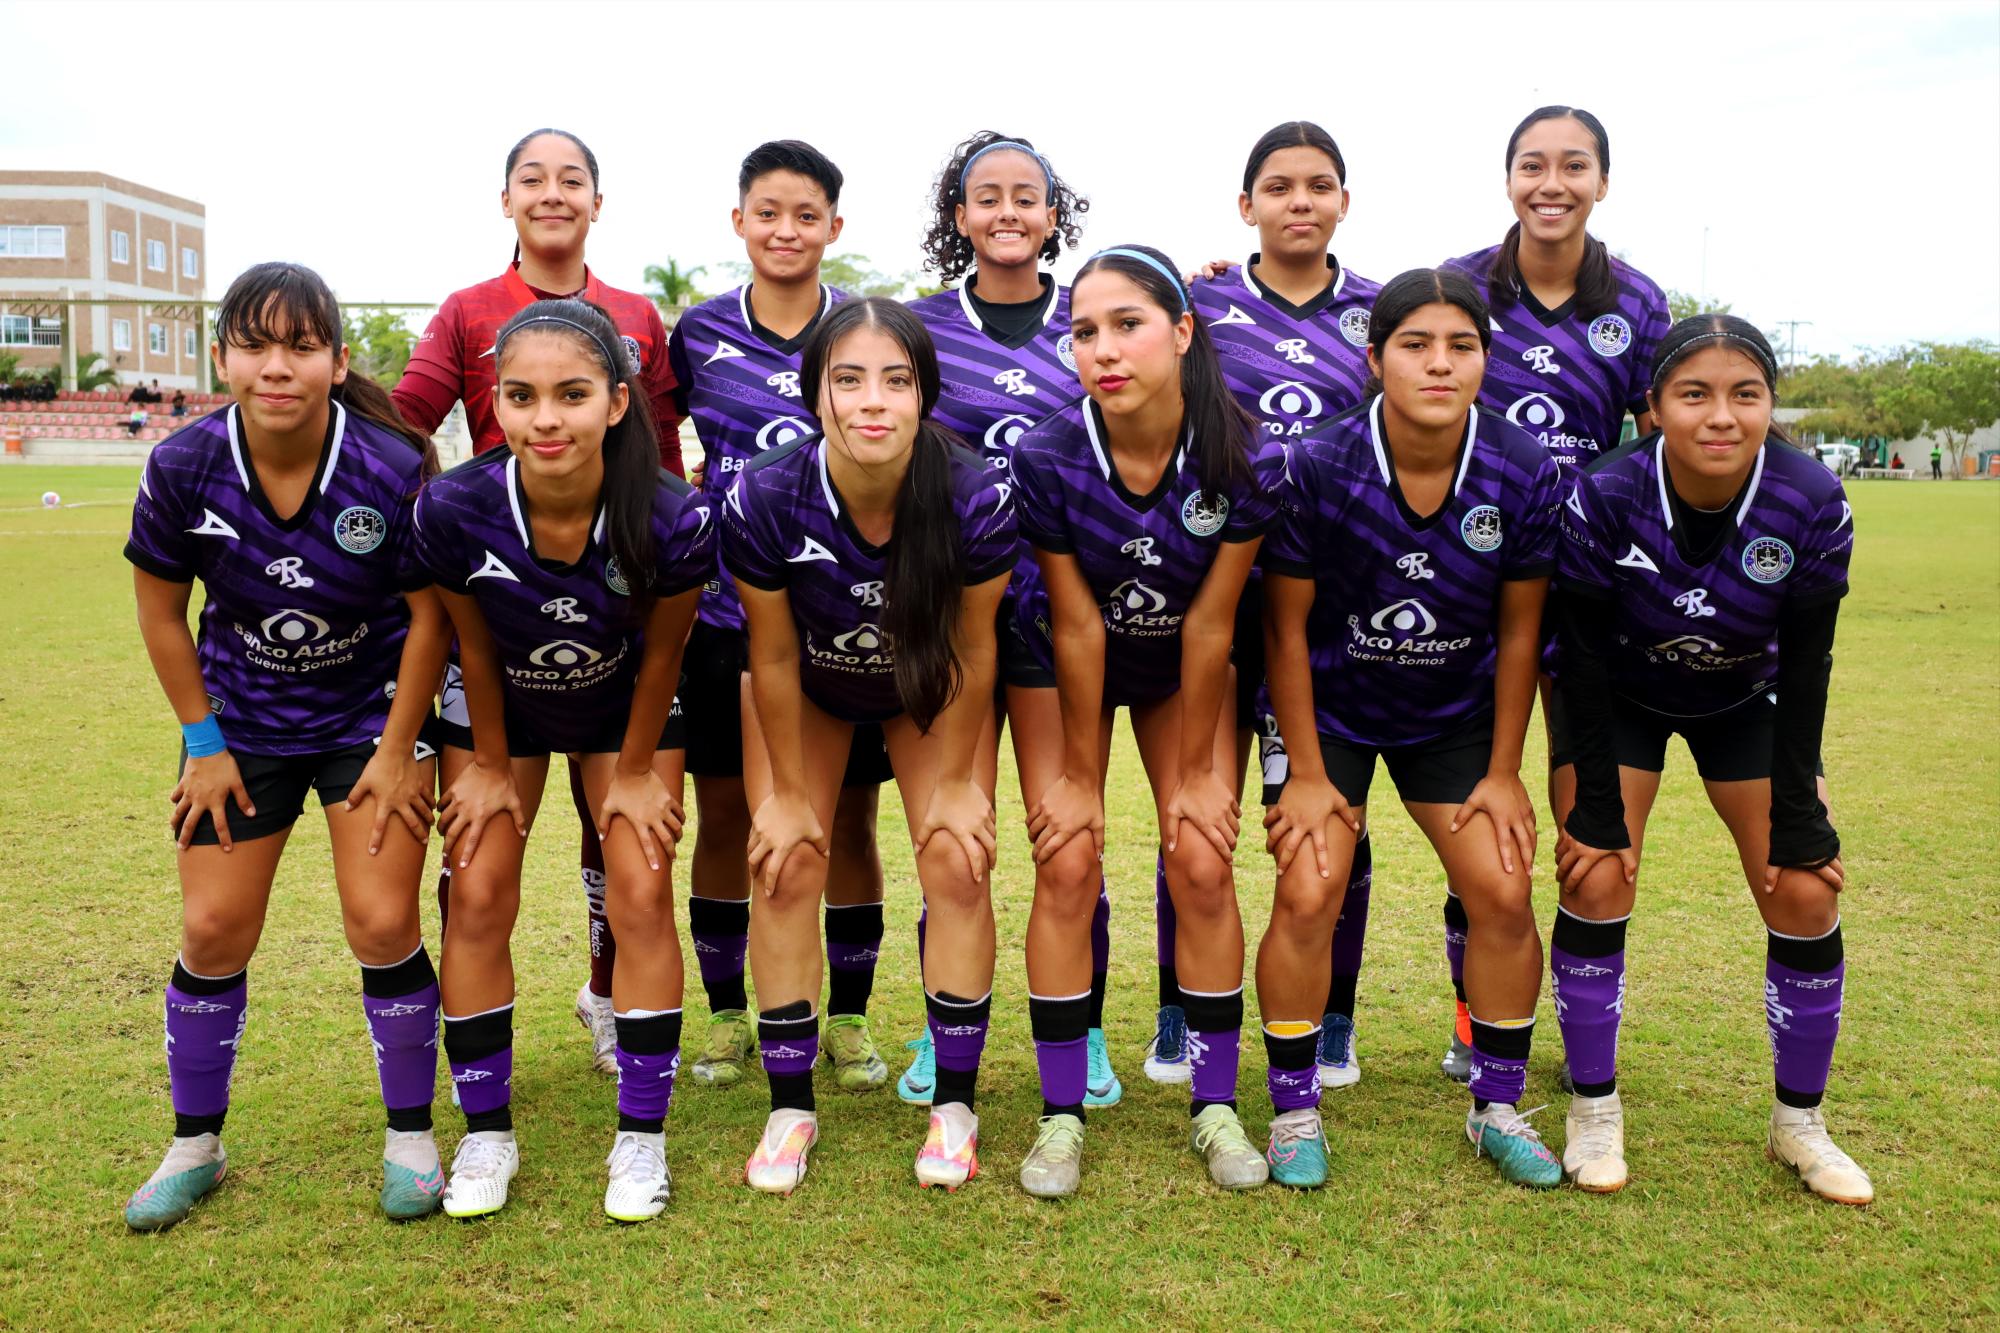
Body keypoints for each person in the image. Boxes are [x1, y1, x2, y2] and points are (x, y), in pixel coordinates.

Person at [120, 262, 447, 1229]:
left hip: (370, 718)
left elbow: (430, 621)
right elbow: (160, 609)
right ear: (221, 357)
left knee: (381, 920)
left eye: (302, 345)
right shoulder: (183, 464)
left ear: (339, 362)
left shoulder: (392, 464)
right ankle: (195, 1145)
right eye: (255, 343)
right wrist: (203, 742)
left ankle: (411, 1136)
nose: (278, 366)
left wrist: (397, 750)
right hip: (241, 725)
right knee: (214, 931)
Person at [1550, 315, 1871, 1205]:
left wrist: (1805, 812)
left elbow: (1810, 661)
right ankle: (1592, 1107)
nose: (1721, 415)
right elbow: (1574, 653)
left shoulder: (1810, 498)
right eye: (1695, 394)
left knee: (1805, 885)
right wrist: (1598, 808)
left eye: (1746, 394)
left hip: (1744, 701)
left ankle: (1799, 1124)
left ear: (1771, 405)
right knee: (1597, 874)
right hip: (1618, 698)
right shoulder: (1606, 492)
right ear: (1653, 408)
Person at [1255, 268, 1561, 1189]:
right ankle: (1295, 1108)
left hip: (1451, 716)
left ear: (1485, 356)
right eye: (1416, 345)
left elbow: (1520, 631)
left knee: (1503, 889)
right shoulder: (1317, 462)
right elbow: (1285, 629)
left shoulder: (1523, 466)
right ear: (1375, 356)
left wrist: (1505, 770)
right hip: (1330, 710)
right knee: (1312, 887)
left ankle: (1497, 1105)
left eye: (1460, 345)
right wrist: (1306, 772)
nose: (1440, 363)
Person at [413, 298, 714, 1221]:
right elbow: (468, 645)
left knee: (640, 884)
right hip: (498, 702)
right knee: (478, 890)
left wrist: (628, 774)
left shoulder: (670, 513)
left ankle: (641, 1140)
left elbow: (664, 654)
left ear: (617, 403)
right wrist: (493, 768)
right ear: (492, 405)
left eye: (573, 394)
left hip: (624, 705)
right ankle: (488, 1134)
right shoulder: (457, 506)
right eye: (521, 396)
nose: (547, 418)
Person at [392, 128, 684, 1080]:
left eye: (573, 180)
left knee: (622, 849)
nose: (553, 193)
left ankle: (607, 998)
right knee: (479, 857)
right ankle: (481, 1076)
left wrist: (656, 551)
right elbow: (400, 424)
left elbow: (664, 453)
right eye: (533, 179)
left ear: (599, 202)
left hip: (609, 605)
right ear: (506, 199)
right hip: (497, 604)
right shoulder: (470, 310)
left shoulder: (638, 313)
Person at [723, 297, 1016, 1193]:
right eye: (847, 379)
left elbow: (974, 645)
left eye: (895, 380)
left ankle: (955, 1105)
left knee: (957, 859)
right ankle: (788, 1105)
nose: (871, 401)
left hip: (927, 687)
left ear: (924, 394)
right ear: (816, 395)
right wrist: (778, 793)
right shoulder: (765, 494)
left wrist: (964, 781)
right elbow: (769, 652)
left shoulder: (975, 492)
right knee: (785, 859)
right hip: (808, 682)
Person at [1008, 245, 1283, 1197]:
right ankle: (1058, 1115)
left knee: (1201, 855)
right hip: (1058, 658)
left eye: (1127, 324)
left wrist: (1206, 767)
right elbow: (1076, 620)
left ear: (1183, 330)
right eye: (1084, 332)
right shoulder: (1045, 454)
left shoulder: (1244, 454)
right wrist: (1079, 774)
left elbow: (1213, 621)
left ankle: (1214, 1103)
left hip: (1182, 662)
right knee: (1068, 856)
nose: (1104, 349)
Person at [1433, 105, 1671, 1083]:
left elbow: (1666, 433)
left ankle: (1569, 1018)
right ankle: (1467, 1016)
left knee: (1581, 817)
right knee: (1473, 812)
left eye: (1572, 166)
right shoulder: (1460, 285)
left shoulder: (1639, 304)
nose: (1551, 183)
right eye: (1532, 164)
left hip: (1587, 594)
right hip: (1468, 583)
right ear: (1506, 180)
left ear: (1601, 183)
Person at [668, 141, 895, 1096]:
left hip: (844, 625)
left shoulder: (867, 333)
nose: (786, 230)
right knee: (731, 817)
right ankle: (728, 1013)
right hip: (728, 618)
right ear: (739, 222)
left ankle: (846, 1018)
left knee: (848, 816)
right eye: (768, 211)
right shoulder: (698, 333)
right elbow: (648, 448)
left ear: (833, 228)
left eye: (806, 215)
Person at [904, 131, 1119, 1109]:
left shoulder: (1091, 320)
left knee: (1066, 836)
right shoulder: (916, 329)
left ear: (1051, 214)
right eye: (984, 197)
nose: (1005, 212)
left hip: (1058, 616)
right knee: (952, 834)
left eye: (1025, 197)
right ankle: (935, 1025)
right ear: (959, 219)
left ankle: (1084, 1026)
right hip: (943, 623)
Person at [1186, 119, 1383, 1095]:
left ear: (1343, 200)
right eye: (1277, 186)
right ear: (1245, 205)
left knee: (1329, 810)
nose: (1297, 201)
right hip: (1218, 591)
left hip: (1340, 601)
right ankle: (1184, 1009)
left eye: (1317, 185)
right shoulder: (1202, 300)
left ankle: (1332, 1013)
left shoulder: (1381, 312)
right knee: (1203, 806)